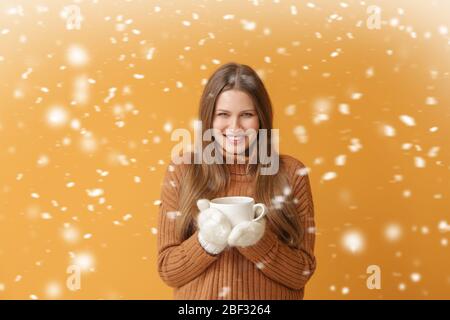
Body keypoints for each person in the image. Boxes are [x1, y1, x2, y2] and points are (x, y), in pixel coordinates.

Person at [157, 62, 316, 299]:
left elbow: (301, 272)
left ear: (261, 119)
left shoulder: (291, 173)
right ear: (208, 119)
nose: (235, 127)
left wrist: (257, 241)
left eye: (247, 115)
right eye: (223, 114)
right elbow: (168, 270)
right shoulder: (183, 170)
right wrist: (206, 242)